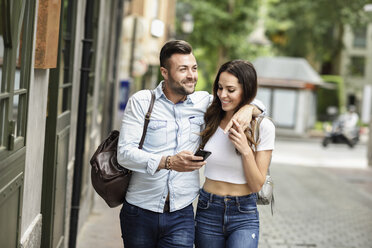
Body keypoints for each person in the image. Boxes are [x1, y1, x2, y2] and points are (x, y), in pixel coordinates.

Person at [117, 40, 265, 248]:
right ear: (165, 72)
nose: (191, 75)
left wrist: (249, 108)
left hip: (182, 214)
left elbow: (241, 96)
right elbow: (124, 154)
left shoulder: (204, 102)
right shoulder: (142, 102)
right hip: (140, 209)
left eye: (194, 68)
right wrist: (167, 162)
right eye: (183, 69)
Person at [195, 60, 275, 248]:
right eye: (220, 88)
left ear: (246, 90)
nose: (222, 95)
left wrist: (246, 150)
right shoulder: (208, 118)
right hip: (208, 209)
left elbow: (256, 185)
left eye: (230, 90)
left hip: (244, 213)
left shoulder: (263, 127)